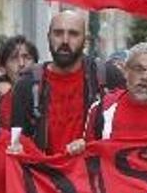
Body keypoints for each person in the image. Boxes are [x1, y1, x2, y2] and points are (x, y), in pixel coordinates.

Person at [11, 10, 126, 154]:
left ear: (85, 40)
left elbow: (127, 130)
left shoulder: (108, 77)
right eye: (58, 33)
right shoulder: (27, 85)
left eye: (73, 34)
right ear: (48, 37)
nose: (65, 40)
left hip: (92, 173)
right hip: (43, 174)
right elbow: (16, 141)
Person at [0, 35, 39, 127]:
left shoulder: (44, 91)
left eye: (27, 57)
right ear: (3, 68)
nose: (21, 64)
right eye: (14, 58)